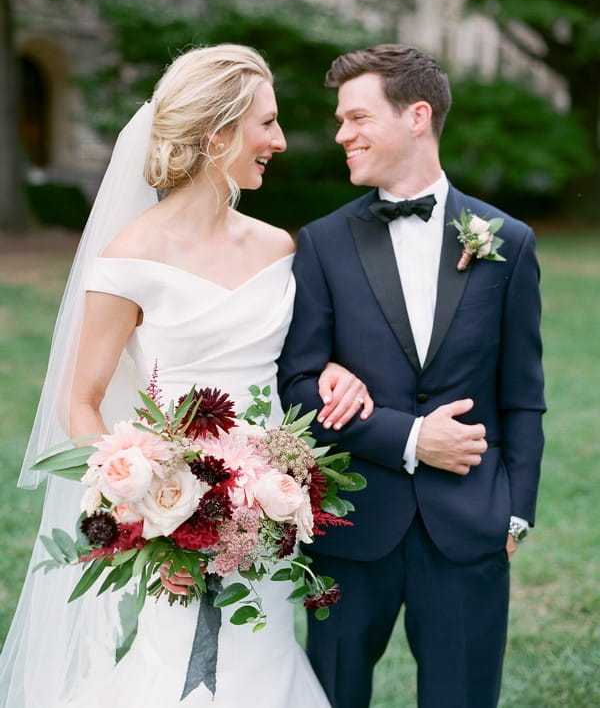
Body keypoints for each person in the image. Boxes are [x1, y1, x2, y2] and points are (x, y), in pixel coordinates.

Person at [0, 44, 373, 707]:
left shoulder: (278, 246)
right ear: (218, 133)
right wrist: (143, 503)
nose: (280, 141)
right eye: (267, 123)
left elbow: (300, 360)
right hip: (175, 528)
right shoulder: (130, 257)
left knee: (265, 660)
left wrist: (336, 373)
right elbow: (79, 401)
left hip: (275, 508)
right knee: (175, 674)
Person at [278, 44, 546, 708]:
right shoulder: (322, 243)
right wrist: (408, 437)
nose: (342, 134)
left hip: (468, 525)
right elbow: (298, 386)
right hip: (351, 520)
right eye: (341, 120)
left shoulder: (506, 241)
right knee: (333, 692)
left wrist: (514, 511)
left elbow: (523, 395)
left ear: (417, 116)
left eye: (357, 117)